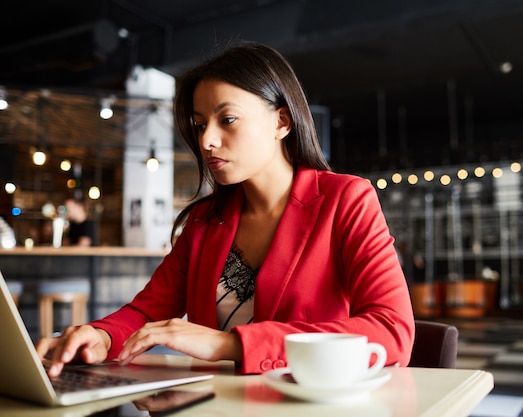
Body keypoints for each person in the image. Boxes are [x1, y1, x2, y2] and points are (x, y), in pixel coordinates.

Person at [36, 41, 416, 376]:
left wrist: (229, 344)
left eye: (227, 119)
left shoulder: (345, 199)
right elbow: (146, 311)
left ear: (281, 121)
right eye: (200, 125)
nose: (207, 141)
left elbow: (391, 330)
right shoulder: (204, 221)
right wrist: (100, 335)